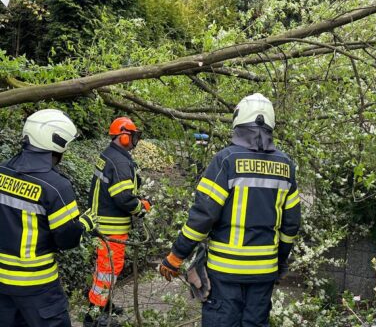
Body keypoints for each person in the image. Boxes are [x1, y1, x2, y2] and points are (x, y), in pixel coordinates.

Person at [159, 93, 301, 327]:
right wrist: (281, 261)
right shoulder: (286, 166)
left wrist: (176, 255)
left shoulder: (226, 160)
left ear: (238, 121)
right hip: (264, 271)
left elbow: (203, 216)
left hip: (225, 273)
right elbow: (291, 225)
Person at [0, 109, 97, 327]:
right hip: (37, 287)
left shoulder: (2, 171)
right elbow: (66, 240)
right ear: (56, 142)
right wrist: (84, 224)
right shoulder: (56, 187)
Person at [84, 117, 151, 327]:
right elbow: (123, 197)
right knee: (108, 269)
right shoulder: (120, 161)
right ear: (123, 137)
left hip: (101, 222)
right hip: (110, 227)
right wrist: (141, 207)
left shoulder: (109, 155)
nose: (134, 140)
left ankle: (104, 304)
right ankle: (94, 315)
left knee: (105, 268)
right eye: (133, 136)